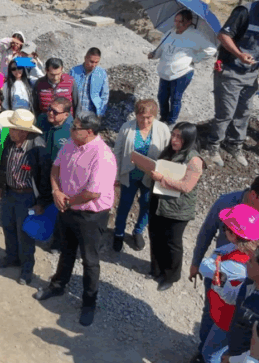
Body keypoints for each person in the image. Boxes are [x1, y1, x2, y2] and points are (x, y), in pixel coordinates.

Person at [34, 111, 117, 327]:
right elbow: (56, 167)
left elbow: (93, 193)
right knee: (66, 250)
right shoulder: (71, 144)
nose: (70, 130)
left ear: (89, 132)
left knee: (90, 260)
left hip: (90, 214)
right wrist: (56, 192)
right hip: (67, 206)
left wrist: (67, 201)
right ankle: (58, 285)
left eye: (75, 127)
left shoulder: (103, 156)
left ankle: (89, 303)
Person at [188, 173, 259, 361]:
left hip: (231, 308)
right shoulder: (226, 202)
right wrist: (196, 263)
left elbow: (231, 292)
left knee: (216, 347)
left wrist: (214, 269)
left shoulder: (241, 266)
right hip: (222, 294)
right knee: (209, 315)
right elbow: (206, 232)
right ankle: (203, 350)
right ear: (253, 195)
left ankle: (206, 355)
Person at [207, 0, 259, 168]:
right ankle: (213, 146)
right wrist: (240, 55)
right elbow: (223, 35)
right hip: (231, 69)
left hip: (251, 73)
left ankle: (234, 145)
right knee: (226, 112)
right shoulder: (245, 12)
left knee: (244, 111)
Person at [0, 109, 51, 285]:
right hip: (9, 193)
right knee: (8, 228)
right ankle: (11, 257)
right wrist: (1, 186)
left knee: (25, 235)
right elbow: (3, 165)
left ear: (24, 132)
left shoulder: (38, 148)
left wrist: (42, 203)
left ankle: (27, 270)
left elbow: (45, 178)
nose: (10, 132)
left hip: (27, 198)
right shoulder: (10, 143)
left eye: (14, 129)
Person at [199, 204, 259, 363]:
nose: (223, 230)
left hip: (226, 319)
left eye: (224, 228)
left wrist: (215, 261)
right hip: (231, 317)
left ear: (234, 235)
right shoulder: (257, 253)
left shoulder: (232, 267)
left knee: (211, 354)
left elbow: (204, 267)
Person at [148, 122, 205, 291]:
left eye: (179, 137)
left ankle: (170, 276)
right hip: (159, 203)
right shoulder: (169, 152)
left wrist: (161, 179)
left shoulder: (194, 160)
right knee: (156, 236)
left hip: (177, 210)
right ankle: (157, 269)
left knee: (172, 243)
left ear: (188, 139)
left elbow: (186, 186)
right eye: (173, 135)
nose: (174, 139)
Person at [112, 99, 170, 252]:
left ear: (154, 116)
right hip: (129, 174)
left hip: (150, 177)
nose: (145, 121)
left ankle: (138, 231)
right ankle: (118, 232)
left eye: (149, 118)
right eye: (141, 117)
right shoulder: (127, 127)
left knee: (146, 205)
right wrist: (116, 175)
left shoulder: (162, 129)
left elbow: (167, 154)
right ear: (136, 115)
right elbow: (117, 151)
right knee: (124, 204)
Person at [148, 9, 217, 126]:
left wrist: (194, 58)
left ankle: (171, 121)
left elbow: (211, 49)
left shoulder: (196, 36)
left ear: (189, 22)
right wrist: (154, 55)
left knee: (175, 98)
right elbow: (161, 50)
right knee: (162, 96)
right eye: (176, 21)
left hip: (182, 73)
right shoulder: (170, 33)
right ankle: (163, 117)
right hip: (165, 71)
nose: (177, 24)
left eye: (181, 22)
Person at [224, 243, 259, 361]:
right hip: (233, 343)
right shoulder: (251, 280)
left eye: (251, 261)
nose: (246, 262)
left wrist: (232, 360)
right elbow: (237, 297)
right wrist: (222, 284)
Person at [69, 47, 109, 116]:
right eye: (91, 61)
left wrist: (101, 113)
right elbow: (68, 91)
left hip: (92, 114)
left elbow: (105, 95)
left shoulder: (102, 74)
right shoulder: (74, 71)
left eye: (96, 62)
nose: (93, 65)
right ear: (85, 58)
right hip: (75, 113)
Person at [36, 97, 74, 162]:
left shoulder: (73, 130)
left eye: (55, 112)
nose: (50, 113)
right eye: (49, 109)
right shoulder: (41, 120)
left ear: (66, 115)